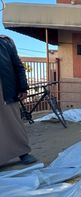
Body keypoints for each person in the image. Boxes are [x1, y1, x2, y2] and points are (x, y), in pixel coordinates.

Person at [0, 35, 37, 165]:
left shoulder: (6, 42)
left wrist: (22, 87)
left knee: (13, 121)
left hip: (6, 89)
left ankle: (23, 152)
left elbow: (18, 66)